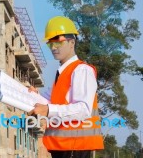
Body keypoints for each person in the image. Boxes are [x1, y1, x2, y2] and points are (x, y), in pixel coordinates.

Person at [28, 16, 104, 158]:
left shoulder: (82, 70)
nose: (54, 47)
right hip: (63, 147)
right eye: (51, 44)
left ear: (72, 42)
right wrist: (33, 94)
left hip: (74, 148)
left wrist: (48, 109)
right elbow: (49, 101)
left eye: (59, 42)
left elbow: (84, 109)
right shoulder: (62, 74)